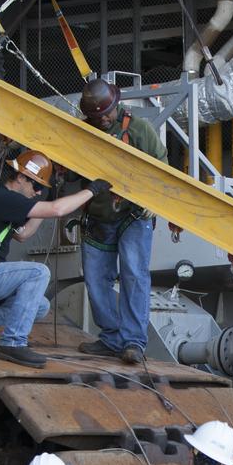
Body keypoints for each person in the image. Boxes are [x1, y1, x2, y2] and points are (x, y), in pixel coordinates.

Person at [0, 149, 109, 367]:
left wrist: (44, 202)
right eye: (36, 186)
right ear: (21, 177)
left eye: (41, 189)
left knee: (40, 306)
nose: (37, 192)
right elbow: (58, 210)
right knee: (38, 272)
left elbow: (23, 235)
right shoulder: (5, 198)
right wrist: (93, 189)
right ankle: (13, 343)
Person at [75, 78, 169, 366]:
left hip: (133, 214)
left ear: (117, 105)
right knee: (94, 279)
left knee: (133, 275)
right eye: (97, 116)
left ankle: (132, 342)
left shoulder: (139, 129)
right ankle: (112, 336)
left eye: (106, 114)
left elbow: (161, 167)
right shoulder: (83, 132)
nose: (103, 119)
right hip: (99, 216)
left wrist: (154, 202)